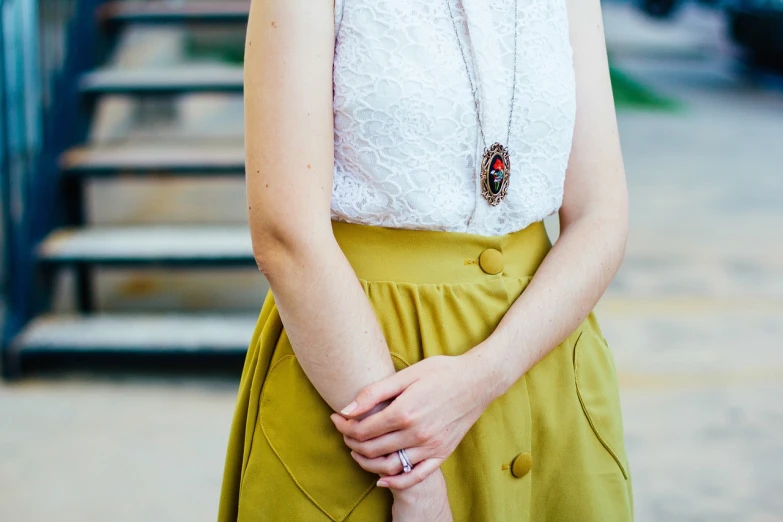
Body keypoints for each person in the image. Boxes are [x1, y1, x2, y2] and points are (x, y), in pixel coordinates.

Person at [219, 0, 633, 519]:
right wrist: (411, 476)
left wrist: (487, 373)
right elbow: (286, 235)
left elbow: (602, 213)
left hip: (541, 362)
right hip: (364, 384)